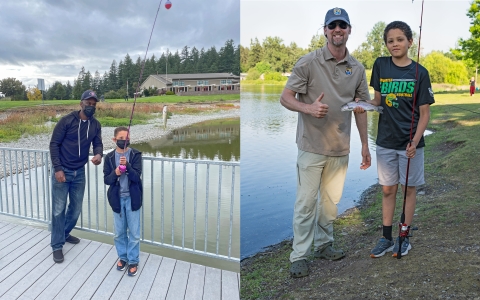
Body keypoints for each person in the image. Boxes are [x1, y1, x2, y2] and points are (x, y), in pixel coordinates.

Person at [280, 7, 371, 278]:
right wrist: (307, 109)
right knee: (306, 204)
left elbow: (361, 109)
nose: (337, 30)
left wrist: (365, 145)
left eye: (342, 25)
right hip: (310, 146)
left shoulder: (356, 68)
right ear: (325, 30)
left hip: (340, 148)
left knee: (330, 204)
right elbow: (286, 97)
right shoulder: (308, 62)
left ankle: (324, 245)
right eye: (333, 26)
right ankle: (299, 256)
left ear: (349, 30)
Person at [355, 21, 434, 258]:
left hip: (411, 144)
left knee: (409, 190)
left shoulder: (420, 73)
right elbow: (377, 101)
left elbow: (425, 113)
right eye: (390, 40)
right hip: (386, 141)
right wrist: (361, 106)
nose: (395, 44)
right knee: (388, 190)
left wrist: (415, 140)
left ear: (410, 42)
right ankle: (386, 237)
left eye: (400, 39)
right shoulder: (381, 65)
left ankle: (404, 236)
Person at [49, 89, 103, 263]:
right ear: (81, 103)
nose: (91, 106)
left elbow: (98, 143)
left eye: (94, 104)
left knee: (76, 209)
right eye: (88, 103)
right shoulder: (66, 121)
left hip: (79, 172)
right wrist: (58, 169)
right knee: (58, 210)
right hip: (62, 171)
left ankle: (64, 233)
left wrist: (99, 154)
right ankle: (57, 245)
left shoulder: (95, 124)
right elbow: (54, 144)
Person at [103, 126, 143, 276]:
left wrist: (127, 166)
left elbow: (136, 177)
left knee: (134, 232)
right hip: (117, 199)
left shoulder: (135, 154)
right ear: (114, 140)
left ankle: (133, 260)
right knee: (119, 233)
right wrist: (116, 172)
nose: (124, 141)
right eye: (121, 139)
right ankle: (123, 257)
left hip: (132, 199)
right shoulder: (109, 157)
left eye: (127, 138)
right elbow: (107, 179)